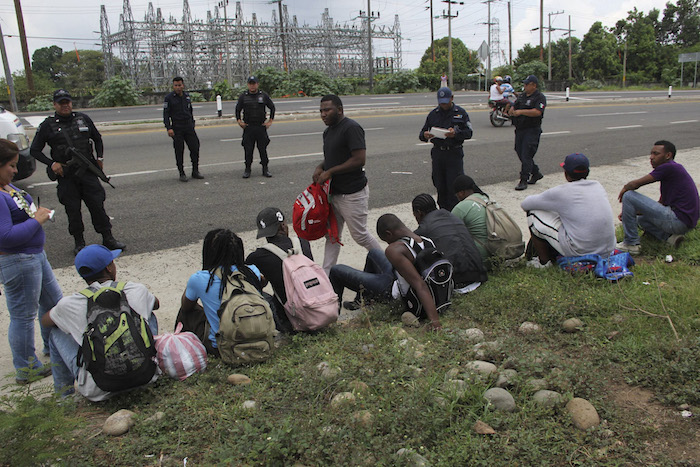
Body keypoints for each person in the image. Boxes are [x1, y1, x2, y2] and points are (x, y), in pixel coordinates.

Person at [40, 244, 159, 401]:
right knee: (148, 313)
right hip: (146, 376)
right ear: (109, 267)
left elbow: (45, 321)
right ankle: (152, 359)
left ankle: (63, 398)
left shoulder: (70, 304)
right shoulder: (135, 289)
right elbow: (156, 303)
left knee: (56, 332)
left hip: (99, 389)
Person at [30, 89, 125, 255]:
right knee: (72, 209)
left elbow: (97, 138)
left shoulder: (83, 119)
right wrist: (52, 163)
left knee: (97, 205)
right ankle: (79, 241)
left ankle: (108, 238)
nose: (65, 105)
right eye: (61, 103)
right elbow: (35, 150)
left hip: (87, 172)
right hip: (66, 175)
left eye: (67, 102)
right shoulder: (48, 124)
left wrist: (100, 159)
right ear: (55, 104)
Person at [0, 139, 62, 384]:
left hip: (35, 256)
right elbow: (6, 237)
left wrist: (37, 213)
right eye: (11, 166)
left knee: (53, 303)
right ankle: (27, 369)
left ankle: (53, 346)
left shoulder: (8, 188)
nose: (15, 171)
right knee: (23, 317)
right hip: (18, 261)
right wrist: (37, 220)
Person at [329, 213, 443, 330]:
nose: (388, 244)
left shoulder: (394, 250)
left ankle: (331, 322)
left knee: (336, 271)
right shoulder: (427, 240)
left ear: (389, 233)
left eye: (386, 240)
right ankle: (362, 300)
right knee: (374, 253)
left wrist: (435, 322)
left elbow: (420, 285)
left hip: (393, 292)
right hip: (400, 279)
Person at [313, 94, 382, 274]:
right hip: (334, 193)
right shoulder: (328, 132)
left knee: (360, 235)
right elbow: (332, 158)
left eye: (327, 110)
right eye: (321, 111)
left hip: (352, 194)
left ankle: (387, 266)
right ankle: (326, 276)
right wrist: (320, 167)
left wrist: (330, 171)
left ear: (340, 110)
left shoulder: (351, 128)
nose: (323, 114)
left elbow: (359, 159)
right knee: (332, 236)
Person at [521, 153, 616, 267]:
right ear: (587, 172)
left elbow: (525, 204)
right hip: (608, 250)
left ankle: (544, 263)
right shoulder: (597, 186)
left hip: (580, 251)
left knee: (533, 213)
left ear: (566, 173)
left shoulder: (562, 192)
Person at [179, 229, 264, 355]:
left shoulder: (200, 279)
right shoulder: (252, 271)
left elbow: (186, 306)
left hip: (223, 349)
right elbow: (263, 282)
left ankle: (184, 351)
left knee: (185, 312)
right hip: (260, 342)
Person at [617, 140, 699, 254]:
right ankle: (669, 238)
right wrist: (632, 212)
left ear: (668, 155)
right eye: (651, 153)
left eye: (656, 154)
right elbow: (661, 204)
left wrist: (625, 188)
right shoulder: (672, 173)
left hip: (677, 220)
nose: (651, 157)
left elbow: (636, 184)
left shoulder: (669, 167)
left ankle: (631, 243)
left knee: (629, 195)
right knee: (638, 220)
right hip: (685, 223)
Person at [246, 207, 314, 333]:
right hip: (317, 309)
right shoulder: (303, 243)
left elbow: (253, 285)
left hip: (289, 321)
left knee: (258, 294)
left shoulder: (257, 257)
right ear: (283, 226)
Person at [411, 194, 487, 289]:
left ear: (419, 212)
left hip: (457, 281)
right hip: (479, 274)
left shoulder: (424, 228)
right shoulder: (451, 216)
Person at [419, 87, 474, 211]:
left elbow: (469, 133)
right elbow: (422, 133)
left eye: (446, 101)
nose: (443, 104)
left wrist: (455, 133)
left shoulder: (460, 113)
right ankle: (443, 212)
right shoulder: (433, 114)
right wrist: (425, 135)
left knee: (454, 187)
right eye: (441, 102)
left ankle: (457, 213)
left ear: (452, 98)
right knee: (440, 185)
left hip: (454, 153)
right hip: (439, 153)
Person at [508, 75, 546, 191]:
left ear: (533, 85)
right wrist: (512, 110)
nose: (524, 86)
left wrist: (521, 112)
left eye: (527, 84)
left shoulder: (539, 97)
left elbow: (537, 112)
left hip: (532, 129)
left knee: (526, 154)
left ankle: (524, 179)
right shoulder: (522, 96)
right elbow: (515, 106)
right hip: (520, 129)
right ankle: (536, 172)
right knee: (519, 151)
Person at [163, 77, 203, 183]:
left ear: (183, 85)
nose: (178, 87)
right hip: (177, 128)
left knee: (195, 147)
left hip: (188, 127)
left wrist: (192, 122)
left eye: (179, 85)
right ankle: (181, 173)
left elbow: (190, 110)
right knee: (179, 151)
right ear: (173, 86)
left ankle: (195, 171)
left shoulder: (187, 96)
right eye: (176, 85)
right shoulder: (169, 98)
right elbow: (166, 114)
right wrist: (169, 128)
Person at [236, 76, 275, 179]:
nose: (252, 86)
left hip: (260, 127)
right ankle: (247, 169)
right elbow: (237, 109)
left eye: (254, 83)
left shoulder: (263, 95)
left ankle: (265, 169)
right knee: (248, 150)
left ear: (257, 84)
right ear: (248, 85)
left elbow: (272, 107)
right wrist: (239, 121)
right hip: (249, 127)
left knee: (262, 149)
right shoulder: (243, 96)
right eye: (250, 83)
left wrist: (270, 121)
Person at [451, 174, 492, 265]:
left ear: (461, 193)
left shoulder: (461, 207)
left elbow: (449, 233)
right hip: (498, 253)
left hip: (482, 259)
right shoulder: (486, 199)